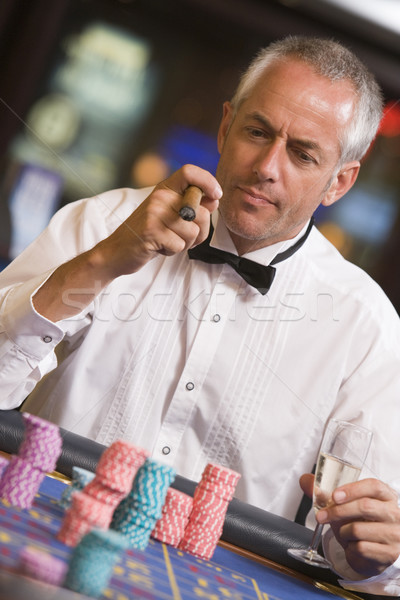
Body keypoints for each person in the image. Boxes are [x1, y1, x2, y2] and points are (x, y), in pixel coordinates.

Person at [1, 36, 400, 595]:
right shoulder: (102, 221)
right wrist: (99, 265)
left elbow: (366, 566)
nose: (266, 167)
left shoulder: (369, 329)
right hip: (33, 549)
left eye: (302, 153)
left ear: (340, 181)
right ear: (225, 127)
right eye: (258, 132)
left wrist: (375, 553)